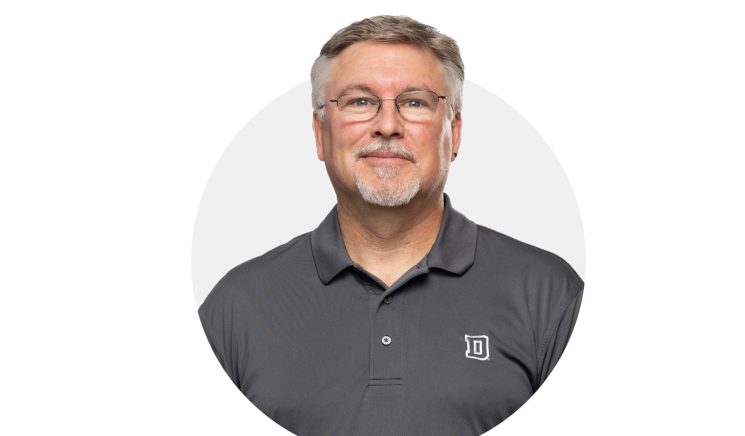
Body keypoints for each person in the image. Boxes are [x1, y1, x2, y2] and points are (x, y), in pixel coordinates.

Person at [199, 15, 584, 436]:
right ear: (319, 133)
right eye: (359, 102)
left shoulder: (549, 296)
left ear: (453, 133)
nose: (387, 125)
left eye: (415, 102)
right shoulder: (236, 307)